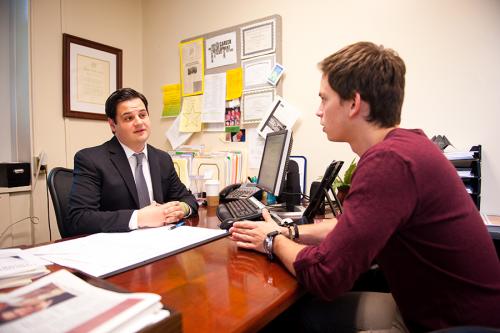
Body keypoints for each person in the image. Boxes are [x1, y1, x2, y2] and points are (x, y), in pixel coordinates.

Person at [230, 42, 500, 332]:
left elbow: (326, 275)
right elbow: (350, 227)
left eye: (324, 99)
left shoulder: (389, 163)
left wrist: (271, 240)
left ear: (354, 104)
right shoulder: (406, 146)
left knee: (283, 323)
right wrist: (289, 231)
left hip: (451, 324)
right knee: (301, 315)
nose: (319, 111)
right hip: (428, 310)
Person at [67, 88, 197, 235]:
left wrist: (181, 209)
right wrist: (139, 218)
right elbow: (79, 219)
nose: (139, 122)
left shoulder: (162, 159)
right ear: (112, 125)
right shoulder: (91, 160)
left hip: (160, 241)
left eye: (143, 115)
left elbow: (188, 198)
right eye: (129, 118)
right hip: (116, 248)